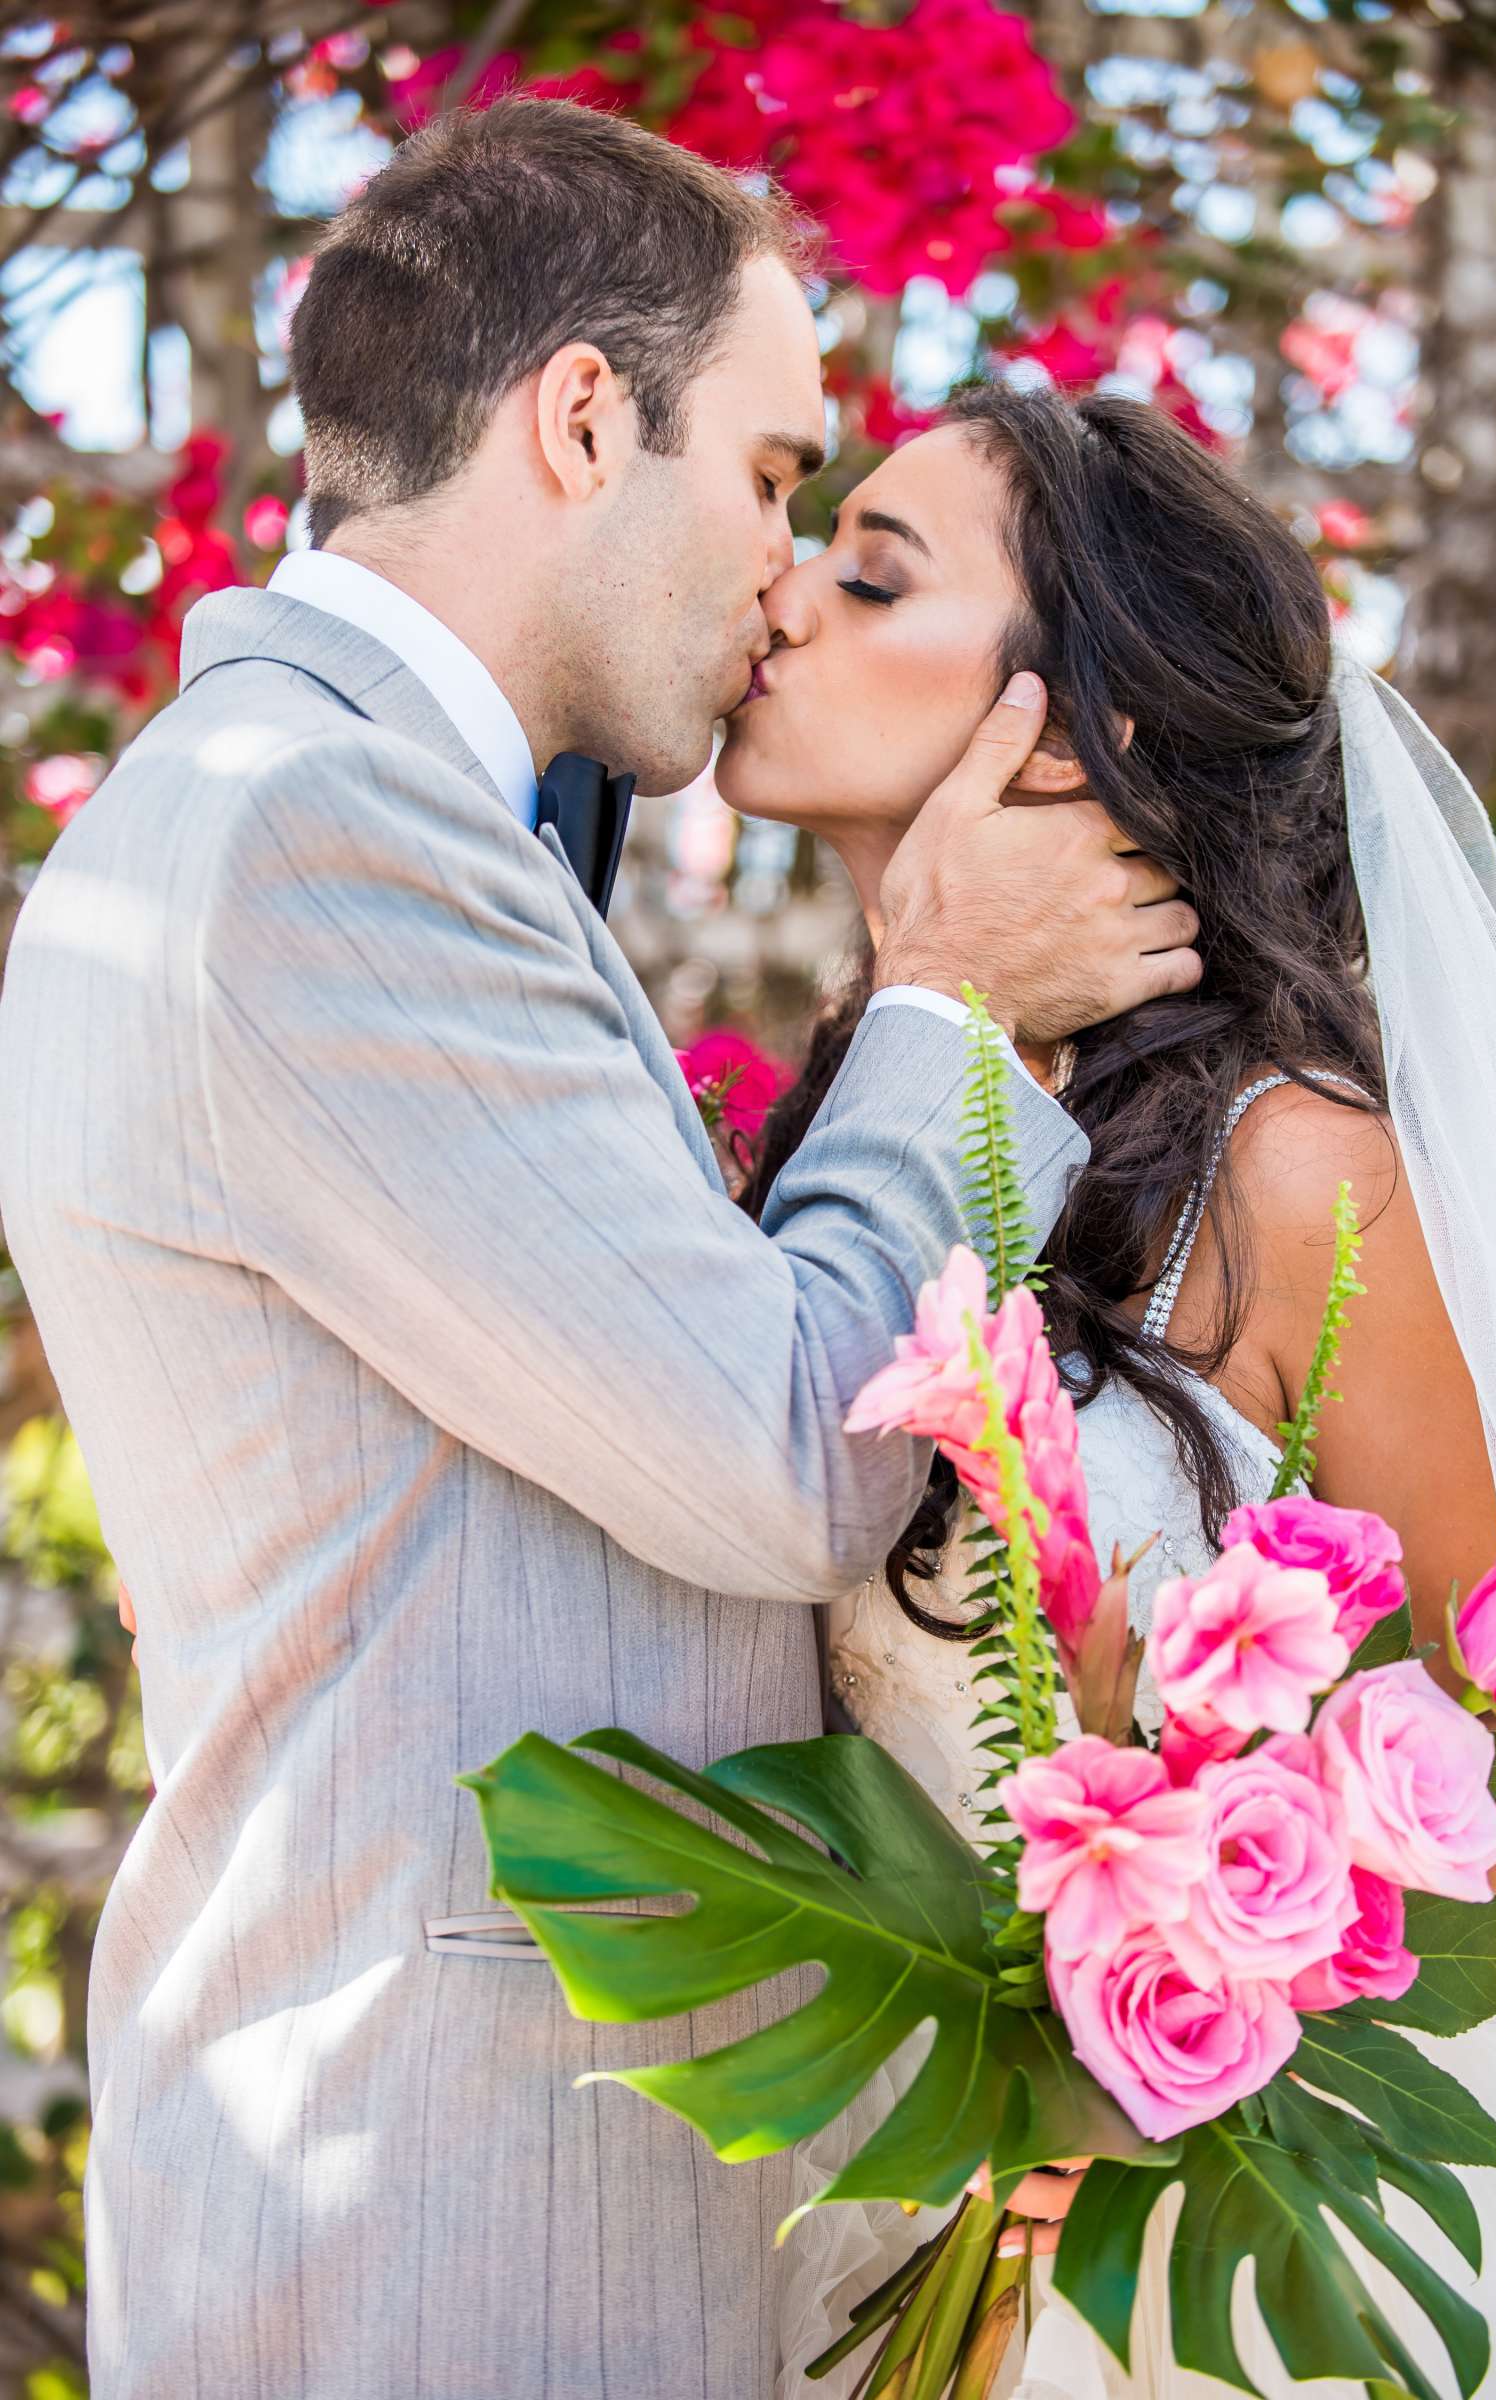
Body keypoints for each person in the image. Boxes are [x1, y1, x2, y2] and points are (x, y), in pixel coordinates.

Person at [0, 108, 1204, 2400]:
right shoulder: (309, 825)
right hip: (451, 2229)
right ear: (579, 418)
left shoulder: (346, 812)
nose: (779, 579)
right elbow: (778, 1449)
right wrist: (947, 1004)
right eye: (771, 480)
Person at [717, 384, 1496, 2398]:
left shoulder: (1293, 1176)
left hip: (1230, 2268)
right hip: (884, 2208)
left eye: (870, 578)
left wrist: (1129, 2067)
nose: (781, 601)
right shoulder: (861, 1150)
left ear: (1088, 725)